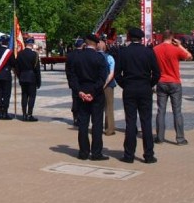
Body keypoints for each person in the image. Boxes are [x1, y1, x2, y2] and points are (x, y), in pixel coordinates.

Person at [116, 27, 161, 164]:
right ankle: (148, 155)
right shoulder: (148, 52)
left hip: (129, 88)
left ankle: (129, 155)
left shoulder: (123, 52)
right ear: (141, 38)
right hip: (144, 88)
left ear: (129, 37)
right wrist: (149, 84)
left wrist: (125, 84)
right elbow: (157, 73)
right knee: (146, 122)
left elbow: (117, 74)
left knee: (130, 122)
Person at [66, 33, 110, 161]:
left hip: (81, 93)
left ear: (86, 43)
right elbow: (102, 78)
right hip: (96, 95)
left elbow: (72, 76)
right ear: (96, 44)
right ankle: (96, 153)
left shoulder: (77, 57)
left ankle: (83, 152)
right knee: (97, 124)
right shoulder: (100, 58)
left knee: (83, 124)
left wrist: (79, 91)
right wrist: (93, 92)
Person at [152, 30, 191, 145]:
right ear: (172, 38)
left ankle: (160, 137)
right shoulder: (176, 48)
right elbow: (189, 56)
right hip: (174, 81)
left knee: (161, 111)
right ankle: (180, 138)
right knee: (177, 111)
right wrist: (179, 45)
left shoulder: (155, 49)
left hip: (161, 81)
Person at [15, 37, 41, 121]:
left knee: (24, 95)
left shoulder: (20, 54)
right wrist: (38, 81)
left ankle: (24, 114)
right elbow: (37, 70)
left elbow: (17, 68)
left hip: (23, 77)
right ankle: (30, 114)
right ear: (31, 44)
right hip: (31, 77)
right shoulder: (34, 54)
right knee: (32, 96)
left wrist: (20, 76)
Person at [0, 35, 14, 120]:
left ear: (1, 41)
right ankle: (5, 112)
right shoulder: (9, 52)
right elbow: (13, 63)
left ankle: (0, 112)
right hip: (6, 76)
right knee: (6, 95)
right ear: (7, 42)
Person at [97, 37, 117, 135]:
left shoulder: (94, 57)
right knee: (108, 107)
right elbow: (112, 73)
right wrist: (105, 83)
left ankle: (97, 127)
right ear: (105, 48)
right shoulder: (109, 57)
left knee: (97, 107)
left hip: (95, 85)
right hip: (108, 85)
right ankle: (109, 128)